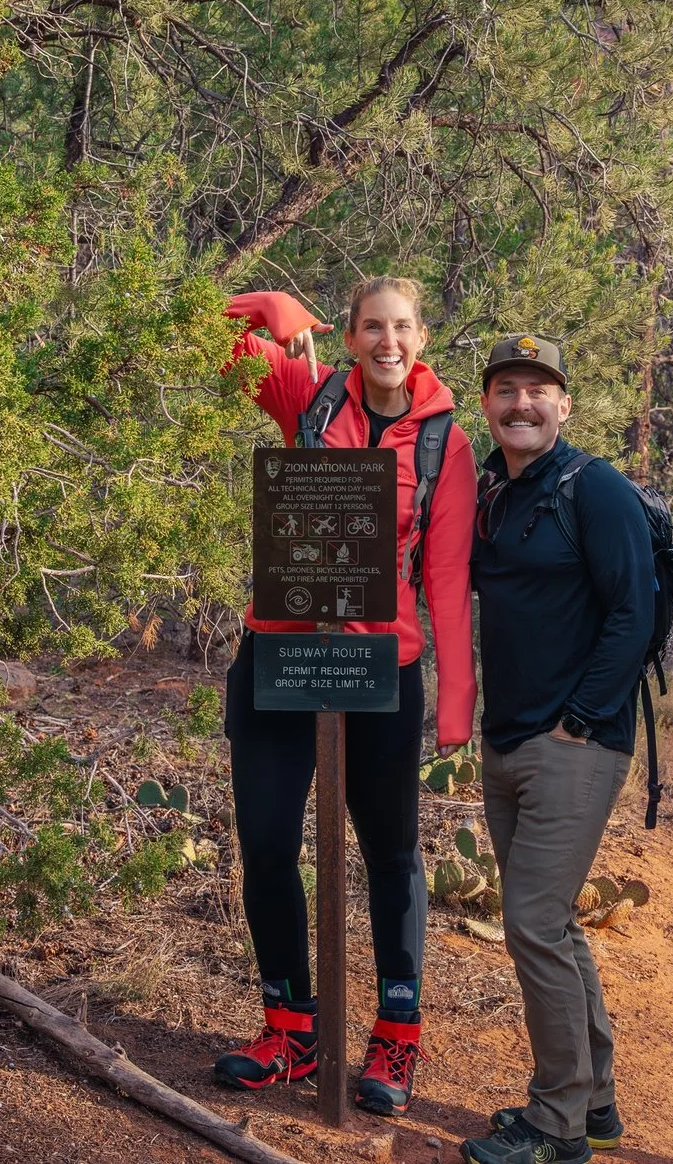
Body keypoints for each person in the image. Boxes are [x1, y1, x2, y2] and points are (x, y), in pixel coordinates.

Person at [213, 279, 475, 1117]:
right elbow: (190, 340)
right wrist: (265, 314)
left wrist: (456, 709)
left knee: (392, 851)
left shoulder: (444, 443)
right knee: (264, 841)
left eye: (401, 326)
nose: (387, 340)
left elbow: (445, 579)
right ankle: (290, 1028)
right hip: (280, 659)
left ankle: (396, 1037)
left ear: (421, 335)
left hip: (379, 674)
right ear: (352, 335)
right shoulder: (308, 395)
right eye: (371, 326)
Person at [464, 335, 657, 1164]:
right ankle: (597, 1101)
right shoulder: (492, 492)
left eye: (538, 390)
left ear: (564, 405)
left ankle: (556, 1126)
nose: (522, 404)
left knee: (533, 922)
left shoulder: (596, 487)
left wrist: (580, 716)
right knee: (559, 926)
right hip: (508, 737)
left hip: (575, 743)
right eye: (507, 389)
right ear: (488, 405)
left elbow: (635, 611)